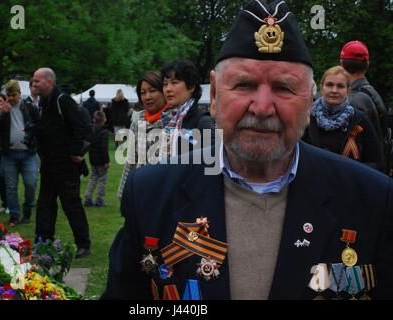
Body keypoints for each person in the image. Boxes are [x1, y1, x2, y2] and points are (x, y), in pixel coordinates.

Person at [102, 0, 393, 300]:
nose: (263, 107)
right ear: (214, 95)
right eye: (243, 84)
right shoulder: (151, 193)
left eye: (284, 87)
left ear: (309, 102)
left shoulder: (373, 199)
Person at [32, 67, 91, 259]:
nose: (34, 84)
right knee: (45, 204)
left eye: (37, 81)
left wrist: (75, 152)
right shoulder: (44, 102)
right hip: (49, 163)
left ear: (49, 82)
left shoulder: (62, 100)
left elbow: (80, 125)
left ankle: (83, 243)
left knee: (71, 205)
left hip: (65, 164)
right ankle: (43, 241)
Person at [303, 66, 381, 170]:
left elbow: (376, 163)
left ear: (348, 91)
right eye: (329, 85)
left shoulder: (359, 120)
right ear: (321, 88)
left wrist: (350, 171)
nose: (334, 90)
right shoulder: (306, 117)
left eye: (340, 86)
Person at [340, 40, 392, 175]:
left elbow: (351, 152)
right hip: (378, 172)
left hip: (362, 175)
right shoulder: (372, 93)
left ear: (341, 64)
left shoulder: (352, 101)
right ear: (366, 64)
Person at [117, 71, 168, 199]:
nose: (147, 97)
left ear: (164, 91)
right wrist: (123, 194)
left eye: (152, 90)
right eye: (143, 93)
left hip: (164, 192)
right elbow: (131, 161)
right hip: (140, 189)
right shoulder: (138, 120)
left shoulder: (175, 121)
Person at [0, 80, 39, 226]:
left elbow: (38, 127)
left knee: (30, 184)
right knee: (11, 188)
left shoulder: (29, 108)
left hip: (28, 153)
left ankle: (27, 212)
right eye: (8, 95)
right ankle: (14, 215)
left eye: (13, 95)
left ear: (19, 94)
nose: (10, 98)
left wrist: (31, 134)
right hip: (10, 154)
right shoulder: (3, 109)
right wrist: (2, 114)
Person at [160, 59, 215, 157]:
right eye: (165, 84)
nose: (168, 89)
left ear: (191, 86)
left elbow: (212, 164)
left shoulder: (203, 122)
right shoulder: (168, 120)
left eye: (174, 82)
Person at [84, 111, 110, 207]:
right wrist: (106, 161)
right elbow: (104, 148)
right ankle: (100, 200)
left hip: (92, 158)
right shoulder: (104, 132)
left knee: (93, 178)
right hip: (101, 159)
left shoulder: (90, 130)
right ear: (104, 119)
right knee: (102, 179)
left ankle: (88, 198)